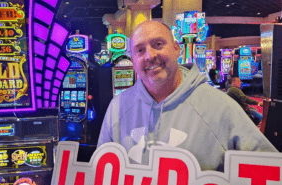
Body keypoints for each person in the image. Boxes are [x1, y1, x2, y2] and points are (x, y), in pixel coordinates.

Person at [97, 21, 277, 171]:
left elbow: (270, 174)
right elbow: (101, 174)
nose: (149, 56)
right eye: (139, 50)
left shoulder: (220, 107)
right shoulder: (118, 106)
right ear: (133, 59)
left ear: (176, 49)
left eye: (158, 44)